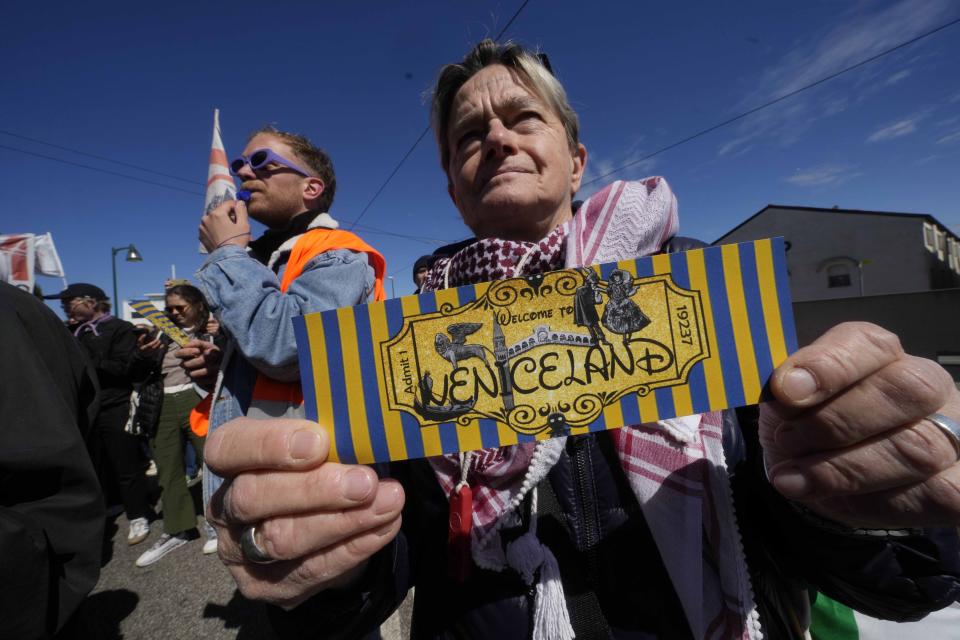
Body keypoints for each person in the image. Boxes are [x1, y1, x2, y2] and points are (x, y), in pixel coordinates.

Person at [201, 42, 960, 639]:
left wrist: (878, 491)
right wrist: (320, 563)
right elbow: (388, 561)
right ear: (454, 189)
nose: (496, 138)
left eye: (523, 118)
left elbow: (888, 571)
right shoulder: (402, 346)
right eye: (469, 135)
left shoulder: (705, 296)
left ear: (576, 161)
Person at [179, 126, 387, 517]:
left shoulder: (337, 254)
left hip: (313, 469)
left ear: (311, 188)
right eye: (241, 163)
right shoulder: (256, 260)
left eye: (261, 162)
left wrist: (226, 252)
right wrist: (219, 369)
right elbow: (261, 357)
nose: (243, 172)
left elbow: (288, 350)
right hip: (266, 462)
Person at [0, 283, 104, 638]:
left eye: (73, 301)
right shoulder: (28, 309)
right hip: (48, 562)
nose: (68, 306)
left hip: (28, 574)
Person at [44, 282, 153, 547]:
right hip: (85, 409)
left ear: (90, 301)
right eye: (64, 302)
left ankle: (138, 514)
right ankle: (112, 504)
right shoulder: (70, 332)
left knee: (125, 462)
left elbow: (122, 368)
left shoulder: (119, 329)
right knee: (97, 464)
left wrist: (84, 356)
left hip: (116, 405)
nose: (65, 306)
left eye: (70, 300)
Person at [133, 284, 220, 566]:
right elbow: (136, 370)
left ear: (196, 304)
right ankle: (177, 529)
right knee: (168, 469)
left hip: (198, 399)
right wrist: (144, 355)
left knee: (213, 464)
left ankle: (217, 524)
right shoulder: (160, 332)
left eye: (179, 308)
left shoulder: (215, 325)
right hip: (162, 403)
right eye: (169, 308)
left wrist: (218, 336)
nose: (173, 313)